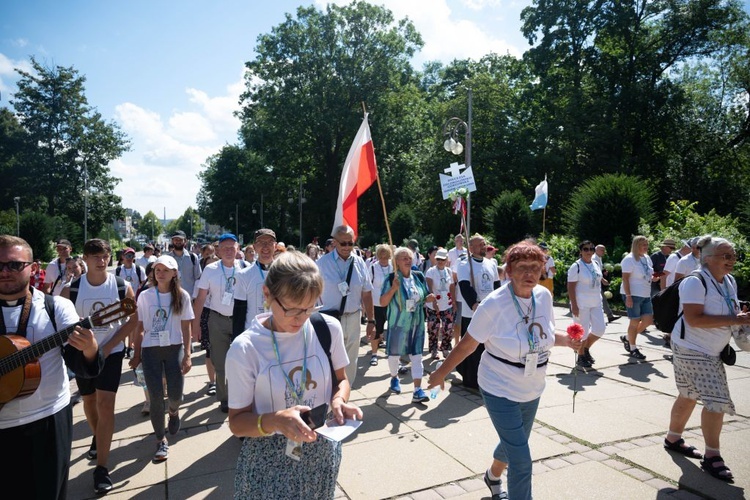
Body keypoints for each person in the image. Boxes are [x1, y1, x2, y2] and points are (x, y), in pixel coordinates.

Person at [428, 240, 582, 500]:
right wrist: (440, 373)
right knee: (522, 460)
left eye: (535, 267)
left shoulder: (543, 296)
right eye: (522, 267)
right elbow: (467, 346)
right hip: (499, 387)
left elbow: (545, 334)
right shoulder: (493, 304)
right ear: (508, 271)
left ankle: (492, 476)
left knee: (515, 442)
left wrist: (568, 341)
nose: (530, 274)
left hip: (532, 387)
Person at [226, 251, 363, 499]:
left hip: (321, 451)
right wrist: (277, 420)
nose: (301, 318)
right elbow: (236, 423)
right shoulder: (245, 348)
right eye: (292, 310)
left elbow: (341, 380)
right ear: (267, 294)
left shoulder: (326, 328)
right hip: (268, 462)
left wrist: (339, 401)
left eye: (309, 308)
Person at [0, 235, 104, 500]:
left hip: (46, 420)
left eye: (14, 265)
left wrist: (90, 348)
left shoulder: (55, 307)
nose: (4, 272)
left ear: (33, 268)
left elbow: (82, 365)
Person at [663, 235, 750, 482]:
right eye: (726, 256)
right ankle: (712, 457)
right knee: (716, 401)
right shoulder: (695, 281)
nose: (731, 260)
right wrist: (735, 320)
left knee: (689, 394)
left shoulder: (728, 280)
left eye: (733, 255)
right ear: (707, 258)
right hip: (692, 348)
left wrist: (738, 313)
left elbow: (726, 308)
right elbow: (694, 319)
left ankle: (673, 438)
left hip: (708, 349)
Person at [60, 238, 138, 494]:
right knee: (89, 403)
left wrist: (108, 346)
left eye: (104, 256)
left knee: (106, 404)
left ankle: (102, 468)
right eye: (95, 256)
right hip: (83, 356)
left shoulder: (120, 286)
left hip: (111, 352)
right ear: (85, 258)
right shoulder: (71, 290)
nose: (101, 260)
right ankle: (98, 437)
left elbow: (132, 320)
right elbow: (59, 324)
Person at [129, 255, 194, 462]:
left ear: (174, 273)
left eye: (165, 269)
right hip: (151, 350)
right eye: (157, 270)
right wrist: (136, 353)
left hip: (174, 349)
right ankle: (160, 440)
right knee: (155, 397)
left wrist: (188, 355)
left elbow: (186, 327)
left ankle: (173, 413)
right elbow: (139, 327)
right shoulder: (145, 296)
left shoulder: (182, 296)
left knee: (175, 395)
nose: (161, 273)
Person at [316, 225, 375, 387]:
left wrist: (371, 321)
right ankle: (328, 396)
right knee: (329, 358)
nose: (347, 247)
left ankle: (344, 396)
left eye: (351, 243)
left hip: (354, 317)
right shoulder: (321, 264)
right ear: (335, 242)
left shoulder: (359, 263)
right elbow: (312, 293)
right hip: (329, 318)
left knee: (350, 360)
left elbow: (367, 293)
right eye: (343, 243)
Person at [192, 233, 243, 413]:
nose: (229, 251)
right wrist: (196, 325)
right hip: (217, 319)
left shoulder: (245, 268)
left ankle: (241, 396)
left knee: (241, 361)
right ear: (219, 251)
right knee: (220, 362)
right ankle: (225, 398)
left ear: (238, 250)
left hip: (240, 320)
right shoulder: (211, 270)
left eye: (232, 247)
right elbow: (200, 299)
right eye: (225, 248)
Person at [380, 246, 437, 403]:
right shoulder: (391, 278)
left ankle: (417, 390)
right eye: (404, 258)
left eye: (409, 257)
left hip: (417, 324)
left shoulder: (418, 276)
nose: (408, 260)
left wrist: (429, 298)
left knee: (417, 356)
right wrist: (393, 289)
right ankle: (394, 378)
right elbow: (382, 302)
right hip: (398, 324)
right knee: (394, 355)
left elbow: (423, 297)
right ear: (396, 262)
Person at [455, 233, 501, 389]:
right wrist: (474, 304)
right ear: (471, 248)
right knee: (472, 347)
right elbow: (464, 286)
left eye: (484, 243)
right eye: (480, 244)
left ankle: (486, 377)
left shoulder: (491, 263)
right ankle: (471, 378)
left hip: (490, 311)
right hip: (473, 311)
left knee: (488, 346)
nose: (484, 246)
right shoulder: (464, 264)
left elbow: (496, 286)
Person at [566, 241, 606, 368]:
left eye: (591, 249)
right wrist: (574, 305)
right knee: (581, 332)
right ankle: (581, 355)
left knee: (600, 329)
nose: (589, 252)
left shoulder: (595, 263)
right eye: (586, 249)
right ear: (581, 251)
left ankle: (586, 348)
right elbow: (571, 287)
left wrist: (603, 280)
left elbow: (596, 278)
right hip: (581, 303)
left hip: (596, 302)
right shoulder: (576, 266)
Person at [233, 228, 278, 339]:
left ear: (275, 246)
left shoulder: (285, 273)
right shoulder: (244, 275)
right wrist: (236, 340)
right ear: (254, 247)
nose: (265, 247)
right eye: (261, 243)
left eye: (269, 242)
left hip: (278, 333)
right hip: (253, 335)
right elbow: (239, 311)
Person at [619, 235, 656, 360]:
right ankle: (633, 348)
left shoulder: (646, 258)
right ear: (636, 246)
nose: (646, 247)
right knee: (634, 321)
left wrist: (653, 277)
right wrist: (628, 296)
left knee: (648, 320)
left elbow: (648, 273)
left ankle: (628, 338)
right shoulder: (629, 259)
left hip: (645, 293)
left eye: (646, 245)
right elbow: (625, 278)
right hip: (633, 294)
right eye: (643, 245)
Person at [425, 247, 455, 360]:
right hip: (433, 305)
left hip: (447, 304)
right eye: (438, 259)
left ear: (446, 259)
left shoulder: (449, 271)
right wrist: (434, 302)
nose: (440, 261)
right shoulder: (431, 271)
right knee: (433, 328)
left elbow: (452, 286)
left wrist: (454, 302)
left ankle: (445, 347)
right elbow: (429, 287)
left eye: (442, 259)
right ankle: (433, 349)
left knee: (448, 328)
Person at [117, 247, 146, 358]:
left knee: (132, 324)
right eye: (127, 256)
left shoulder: (139, 269)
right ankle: (122, 346)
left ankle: (130, 346)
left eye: (132, 256)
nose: (130, 258)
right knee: (122, 324)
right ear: (122, 257)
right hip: (122, 301)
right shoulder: (119, 270)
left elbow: (144, 283)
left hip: (135, 300)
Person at [366, 244, 392, 366]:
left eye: (386, 257)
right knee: (377, 328)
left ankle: (393, 353)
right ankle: (374, 354)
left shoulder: (393, 267)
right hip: (376, 302)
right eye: (381, 257)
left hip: (391, 302)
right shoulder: (372, 268)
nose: (383, 260)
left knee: (392, 328)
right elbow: (367, 287)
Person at [166, 230, 202, 298]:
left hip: (189, 297)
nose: (178, 241)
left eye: (180, 239)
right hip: (171, 297)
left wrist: (196, 298)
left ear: (185, 241)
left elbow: (198, 278)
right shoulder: (167, 258)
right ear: (172, 241)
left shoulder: (193, 257)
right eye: (176, 239)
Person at [593, 245, 616, 322]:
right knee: (601, 299)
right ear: (596, 250)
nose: (604, 252)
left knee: (601, 299)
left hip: (597, 283)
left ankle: (609, 316)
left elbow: (599, 269)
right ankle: (609, 316)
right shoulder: (594, 258)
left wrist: (603, 271)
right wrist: (603, 280)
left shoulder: (599, 258)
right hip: (594, 283)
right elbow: (595, 271)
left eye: (604, 250)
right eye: (602, 250)